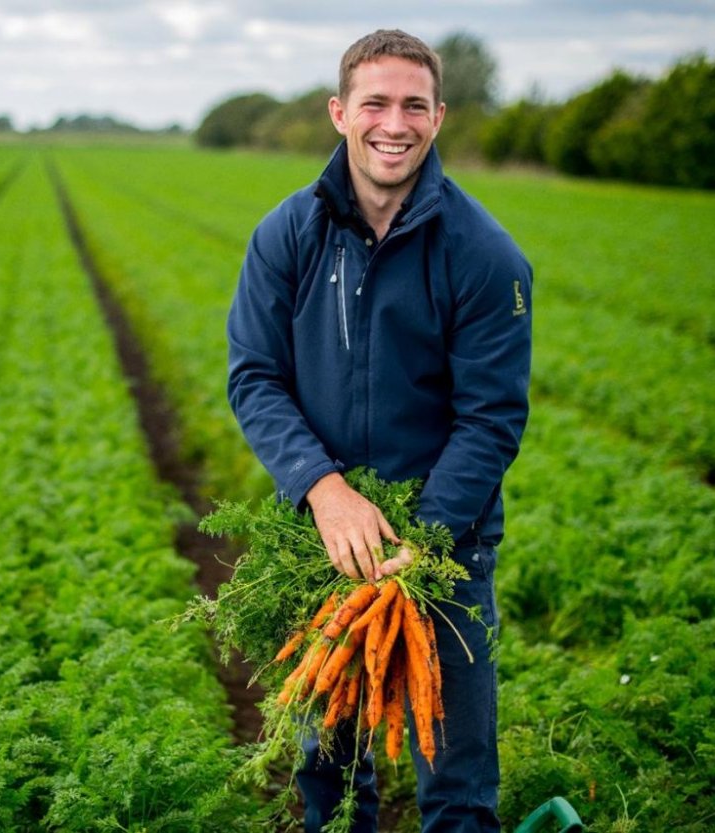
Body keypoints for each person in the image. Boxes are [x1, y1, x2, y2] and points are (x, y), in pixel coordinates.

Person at [225, 29, 532, 833]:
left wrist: (422, 540)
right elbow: (253, 375)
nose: (393, 123)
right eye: (375, 103)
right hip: (320, 540)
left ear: (439, 117)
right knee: (327, 774)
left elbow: (491, 416)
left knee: (457, 780)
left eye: (413, 105)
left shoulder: (484, 254)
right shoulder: (287, 234)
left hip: (446, 548)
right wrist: (325, 494)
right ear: (339, 113)